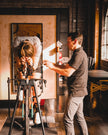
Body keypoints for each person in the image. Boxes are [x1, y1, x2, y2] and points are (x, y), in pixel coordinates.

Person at [43, 32, 88, 135]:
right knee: (79, 117)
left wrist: (51, 67)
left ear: (75, 41)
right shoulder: (78, 53)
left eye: (69, 42)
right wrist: (53, 64)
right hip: (80, 91)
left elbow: (68, 73)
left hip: (76, 92)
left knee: (67, 119)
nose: (67, 44)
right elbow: (67, 67)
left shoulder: (79, 55)